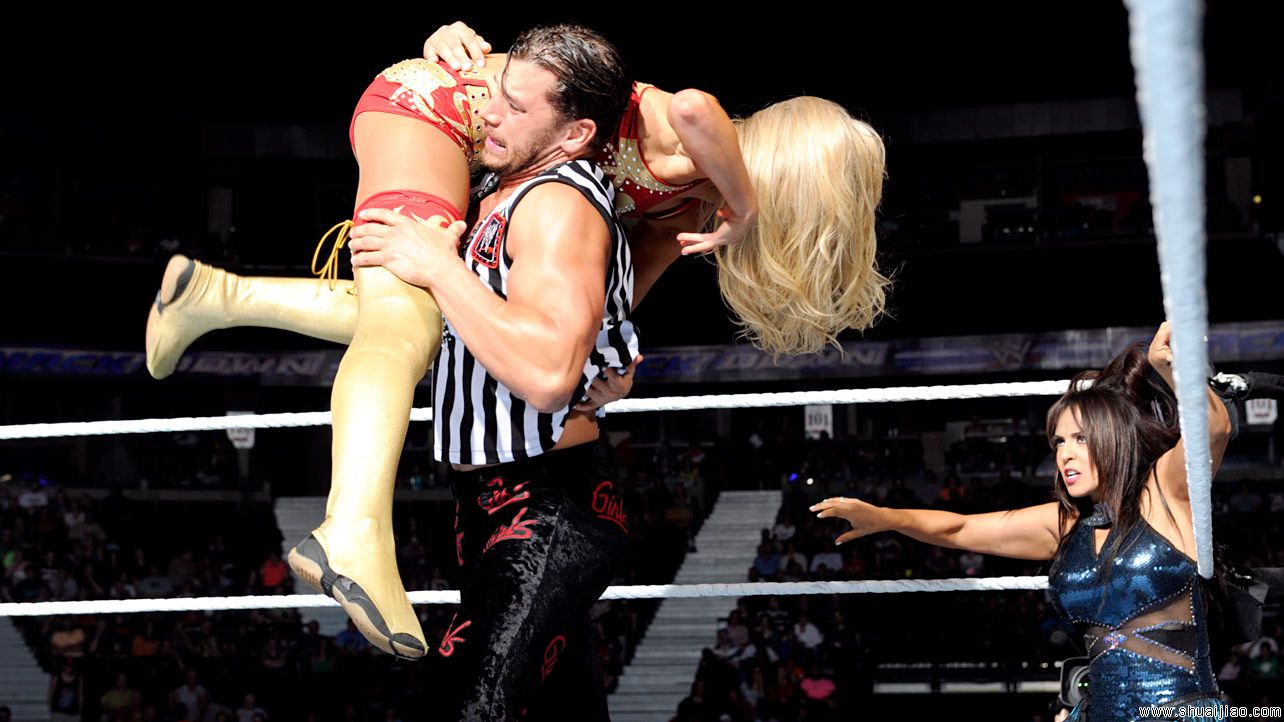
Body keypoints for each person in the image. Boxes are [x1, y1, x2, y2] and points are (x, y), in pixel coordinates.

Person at [144, 21, 886, 658]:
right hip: (435, 107)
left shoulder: (683, 210)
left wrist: (612, 363)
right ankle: (353, 527)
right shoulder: (696, 149)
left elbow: (600, 305)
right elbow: (693, 106)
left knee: (446, 314)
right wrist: (744, 206)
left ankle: (214, 297)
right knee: (404, 318)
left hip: (490, 144)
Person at [336, 24, 634, 720]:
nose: (489, 113)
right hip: (487, 506)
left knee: (465, 706)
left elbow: (549, 374)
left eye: (516, 107)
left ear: (574, 134)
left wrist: (438, 267)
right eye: (495, 92)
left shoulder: (557, 204)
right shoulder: (499, 184)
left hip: (549, 507)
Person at [811, 323, 1233, 721]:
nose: (1065, 454)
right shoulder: (1067, 524)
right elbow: (961, 529)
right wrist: (885, 517)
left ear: (1114, 437)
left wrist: (1170, 368)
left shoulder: (1165, 493)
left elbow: (1214, 429)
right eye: (1059, 442)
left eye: (1080, 438)